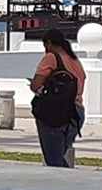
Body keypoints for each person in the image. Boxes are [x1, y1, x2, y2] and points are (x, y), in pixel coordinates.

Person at [29, 28, 87, 167]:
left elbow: (36, 85)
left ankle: (66, 186)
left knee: (54, 161)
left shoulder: (51, 58)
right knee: (58, 156)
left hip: (56, 113)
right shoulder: (74, 61)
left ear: (49, 43)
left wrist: (34, 85)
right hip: (76, 113)